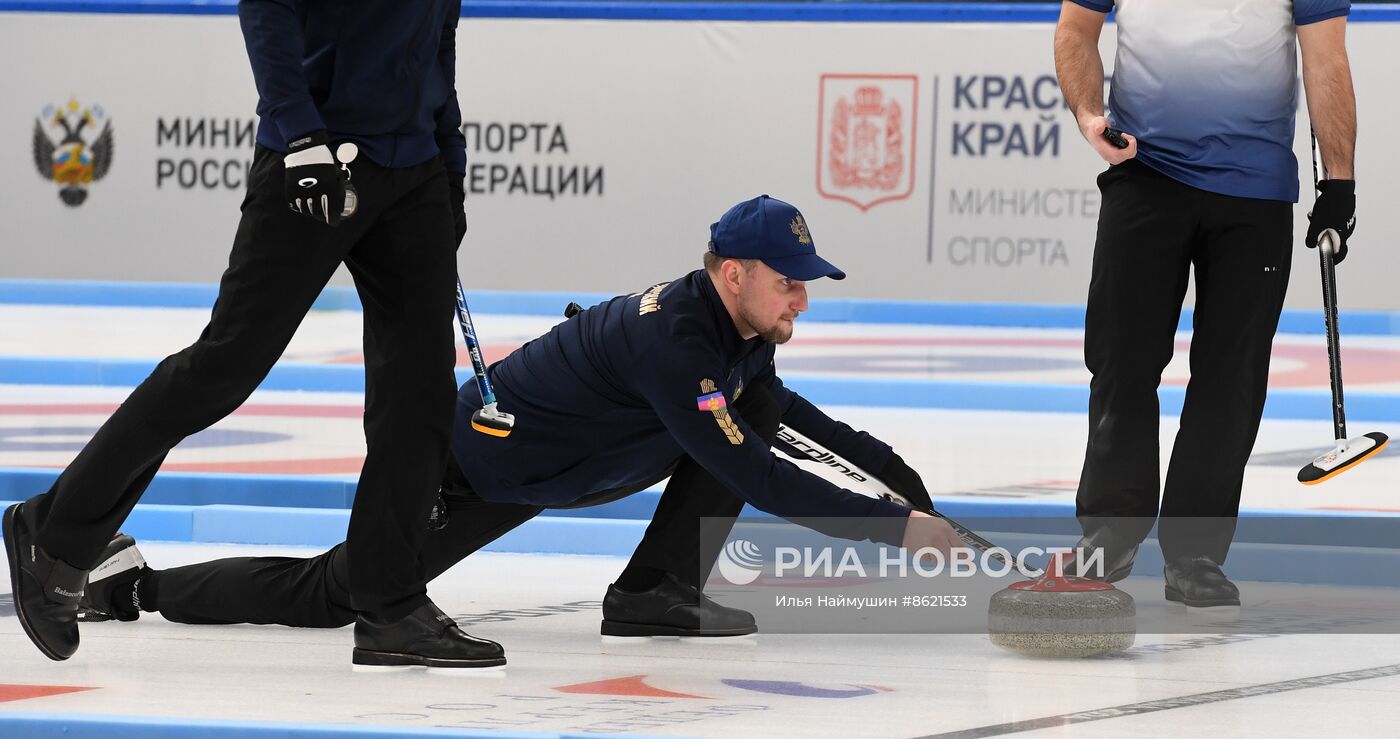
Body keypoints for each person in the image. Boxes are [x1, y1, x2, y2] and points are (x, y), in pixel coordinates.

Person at [75, 196, 964, 667]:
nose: (802, 299)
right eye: (790, 282)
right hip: (482, 467)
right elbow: (764, 480)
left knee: (755, 414)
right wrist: (899, 532)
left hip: (560, 464)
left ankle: (654, 593)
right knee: (336, 593)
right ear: (733, 274)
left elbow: (796, 424)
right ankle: (130, 585)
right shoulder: (676, 343)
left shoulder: (734, 336)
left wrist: (906, 487)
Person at [4, 0, 479, 667]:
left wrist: (450, 160)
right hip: (318, 157)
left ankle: (390, 604)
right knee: (225, 366)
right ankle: (52, 532)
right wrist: (298, 133)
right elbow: (267, 7)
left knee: (422, 391)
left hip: (416, 166)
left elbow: (440, 36)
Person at [1054, 0, 1357, 605]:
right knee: (1121, 357)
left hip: (1255, 188)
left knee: (1232, 375)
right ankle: (1110, 531)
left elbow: (1324, 57)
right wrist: (1089, 115)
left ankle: (1195, 552)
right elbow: (1075, 30)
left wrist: (1339, 182)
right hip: (1143, 171)